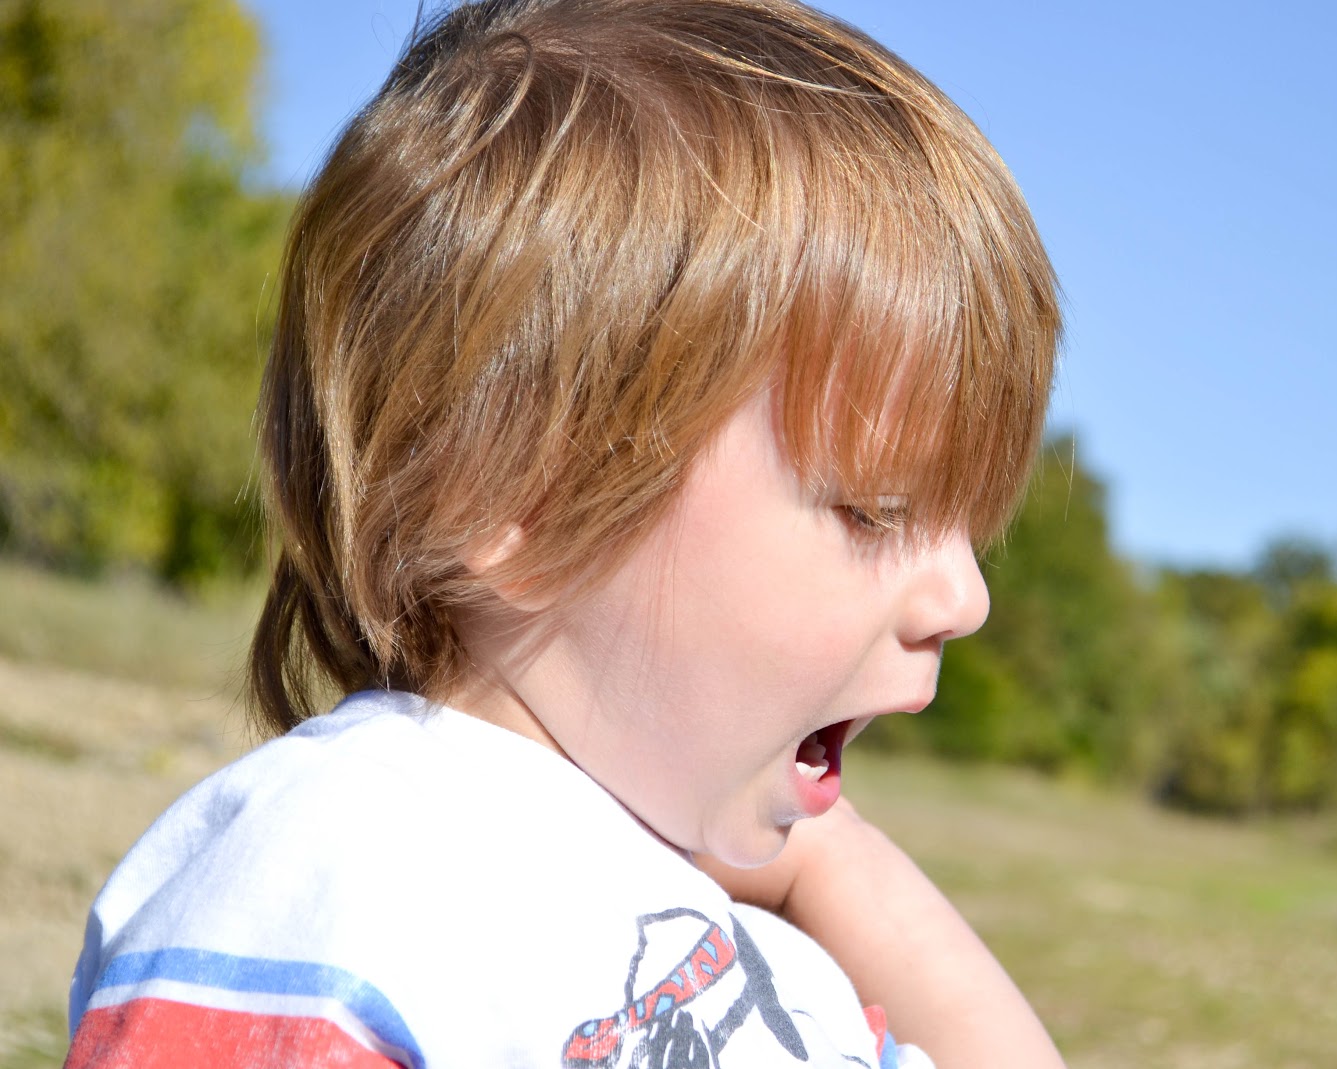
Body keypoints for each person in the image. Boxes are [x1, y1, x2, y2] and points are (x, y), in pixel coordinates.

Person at [64, 0, 1063, 1065]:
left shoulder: (757, 947)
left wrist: (831, 863)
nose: (966, 596)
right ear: (514, 493)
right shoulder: (342, 870)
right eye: (874, 509)